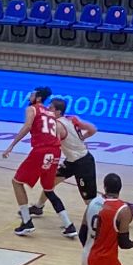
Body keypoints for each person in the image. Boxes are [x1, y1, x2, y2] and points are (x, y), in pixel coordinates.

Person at [1, 87, 68, 236]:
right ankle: (67, 223)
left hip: (41, 150)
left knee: (16, 181)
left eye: (31, 94)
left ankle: (26, 221)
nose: (29, 96)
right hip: (55, 151)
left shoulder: (32, 109)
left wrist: (12, 145)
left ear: (37, 98)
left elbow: (27, 126)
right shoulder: (50, 112)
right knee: (48, 188)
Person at [30, 99, 98, 236]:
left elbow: (52, 145)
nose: (48, 110)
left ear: (58, 111)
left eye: (50, 108)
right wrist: (81, 140)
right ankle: (39, 207)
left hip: (83, 163)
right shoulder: (72, 119)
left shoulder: (57, 126)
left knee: (89, 201)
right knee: (50, 183)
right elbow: (92, 129)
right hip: (72, 160)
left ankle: (117, 214)